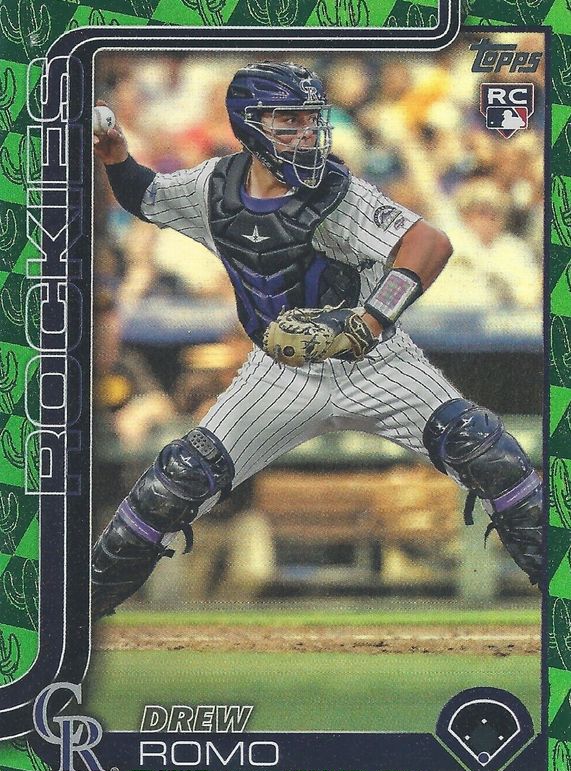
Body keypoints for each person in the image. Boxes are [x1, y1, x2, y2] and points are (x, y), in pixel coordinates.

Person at [91, 61, 543, 619]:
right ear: (250, 123)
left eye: (311, 119)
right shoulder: (212, 187)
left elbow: (429, 245)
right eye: (290, 120)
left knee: (488, 452)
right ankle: (79, 609)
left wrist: (371, 320)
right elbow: (143, 194)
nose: (306, 133)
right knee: (176, 480)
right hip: (280, 372)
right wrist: (116, 155)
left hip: (375, 361)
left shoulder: (337, 190)